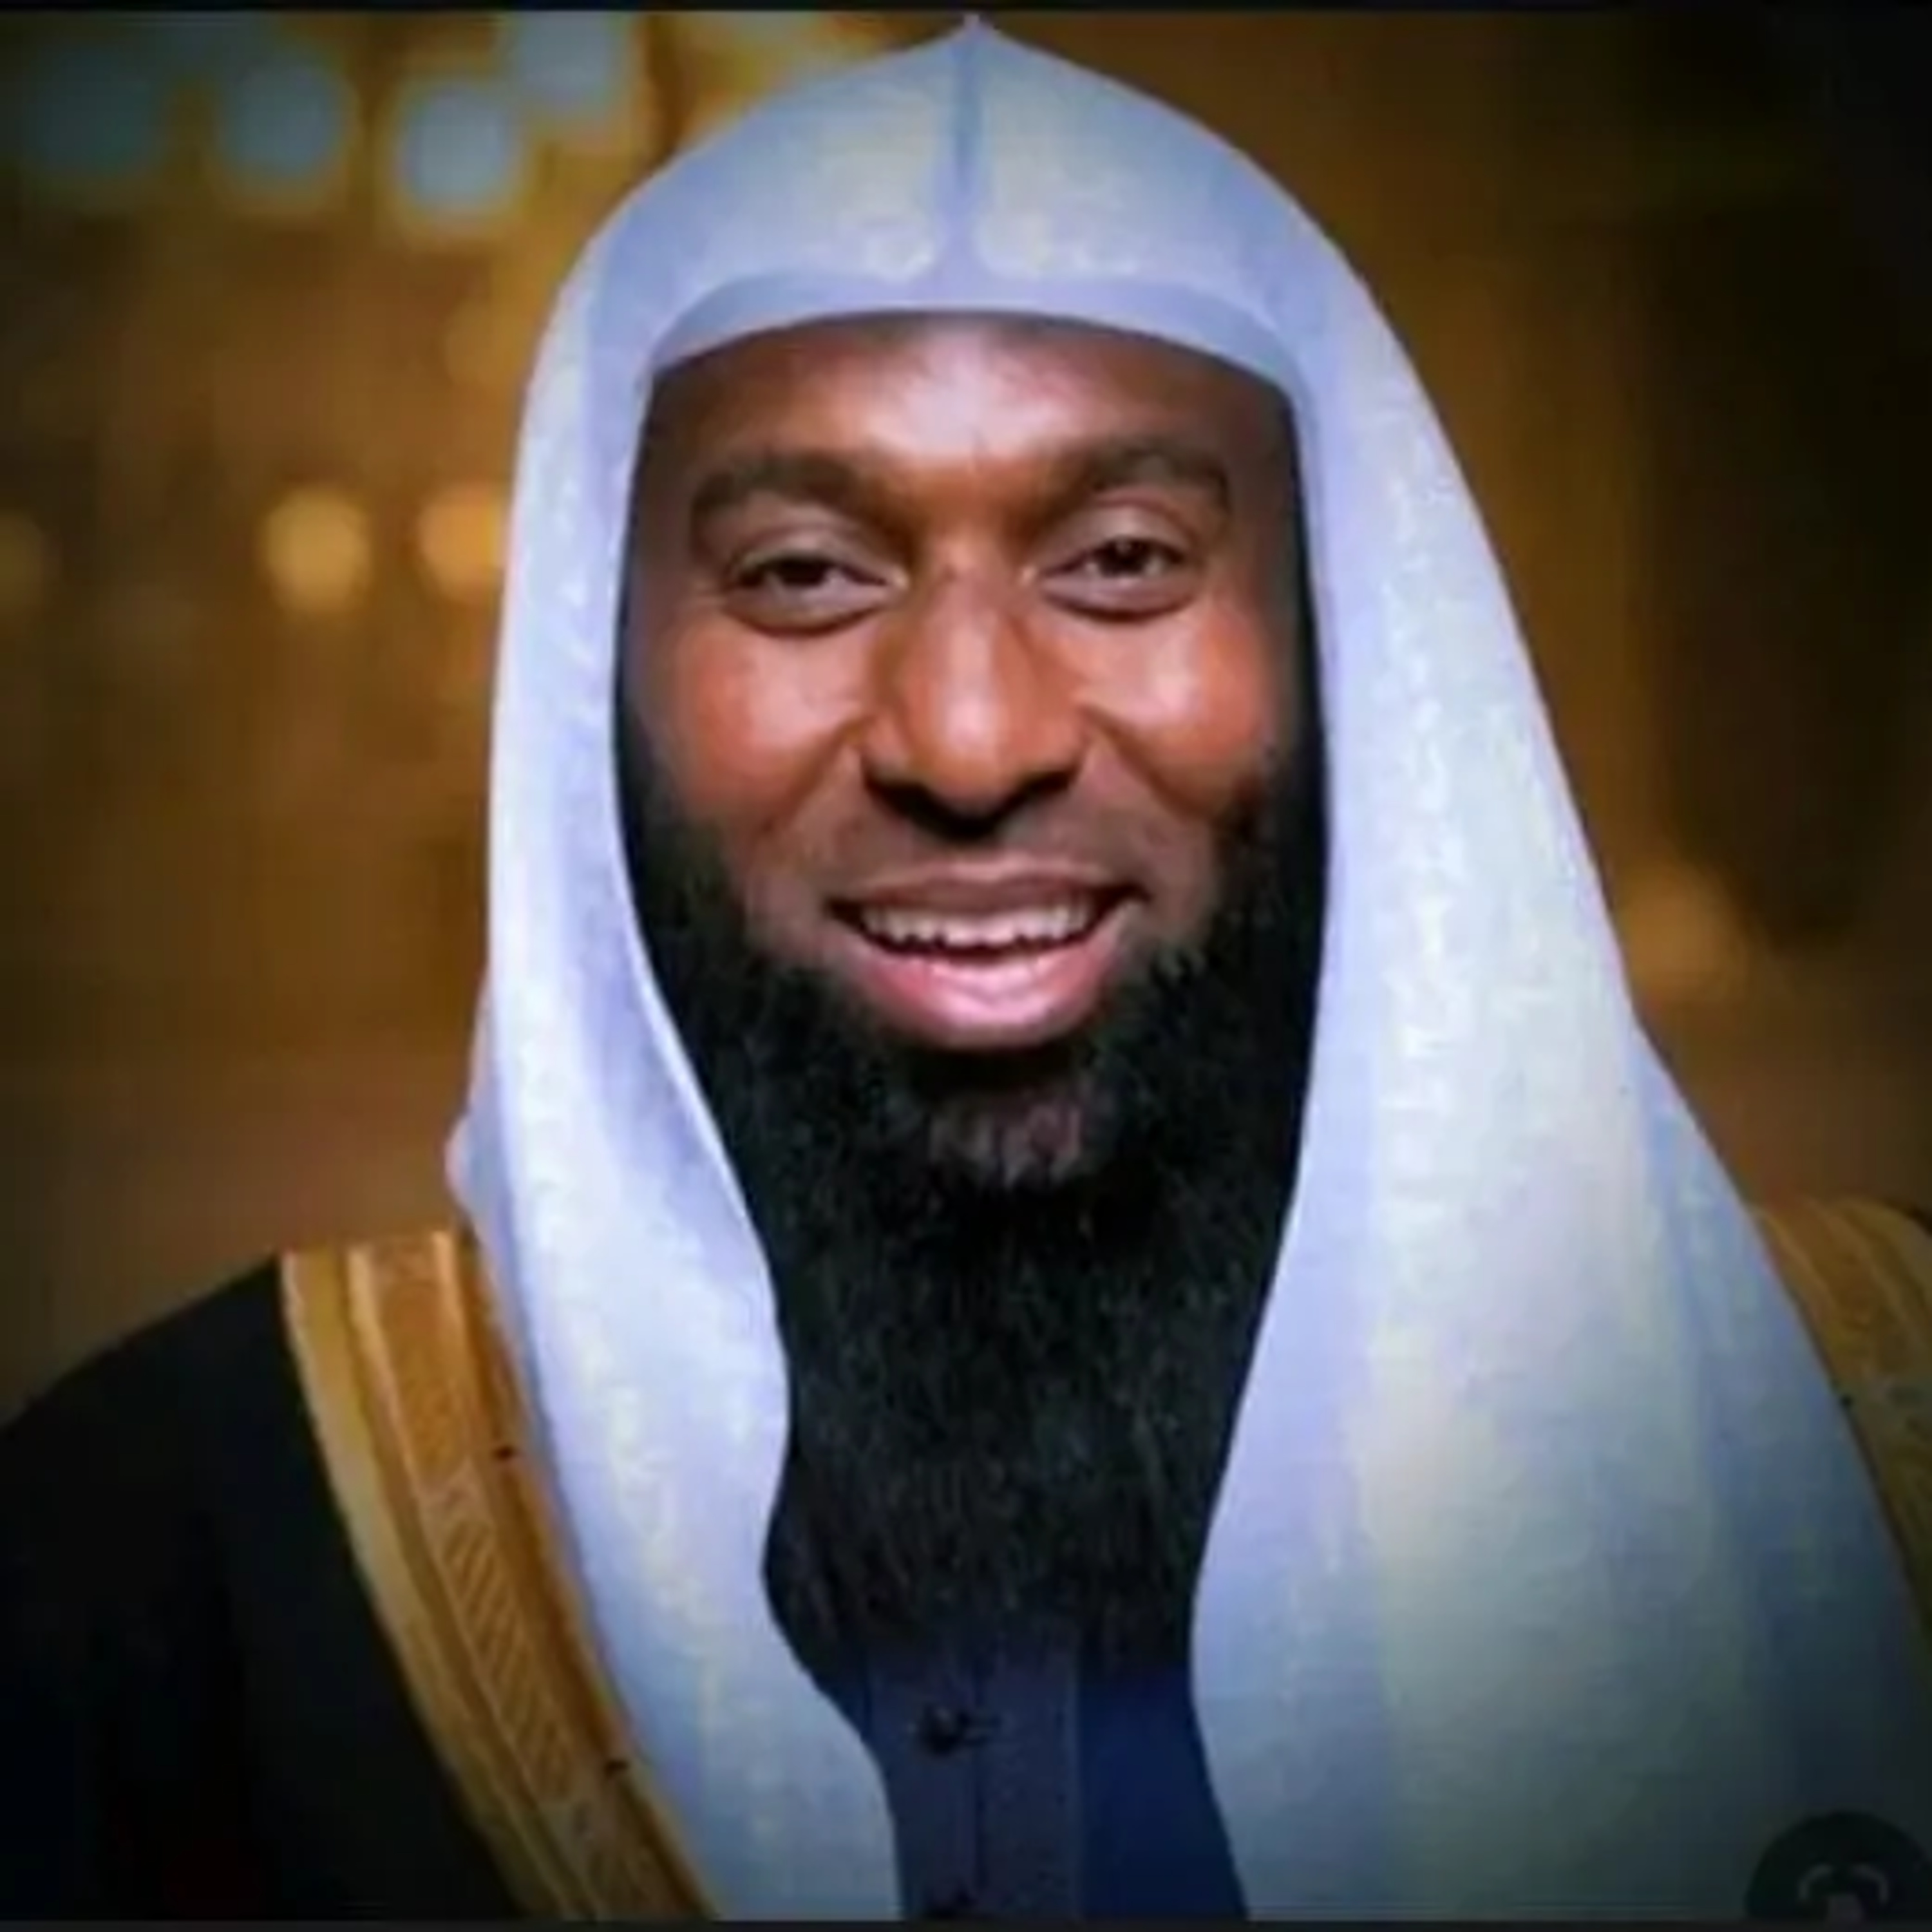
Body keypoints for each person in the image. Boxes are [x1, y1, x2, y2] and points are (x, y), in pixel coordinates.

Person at [5, 21, 1932, 1922]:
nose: (972, 734)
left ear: (1347, 639)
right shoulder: (175, 1556)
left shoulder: (1875, 1438)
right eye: (801, 574)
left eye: (1125, 559)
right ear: (598, 685)